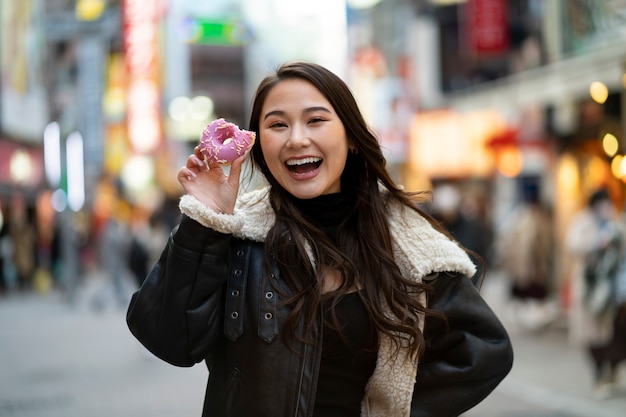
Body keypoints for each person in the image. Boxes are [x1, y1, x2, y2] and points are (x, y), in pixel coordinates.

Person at [127, 61, 513, 417]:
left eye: (315, 121)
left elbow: (483, 351)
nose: (296, 139)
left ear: (351, 138)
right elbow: (169, 341)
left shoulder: (407, 242)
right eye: (277, 125)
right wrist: (204, 221)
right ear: (259, 146)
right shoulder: (236, 232)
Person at [565, 188, 626, 399]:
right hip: (589, 288)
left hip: (612, 289)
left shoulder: (614, 222)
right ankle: (600, 374)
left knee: (614, 333)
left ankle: (611, 372)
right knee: (592, 336)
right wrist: (596, 243)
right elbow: (572, 245)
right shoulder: (582, 222)